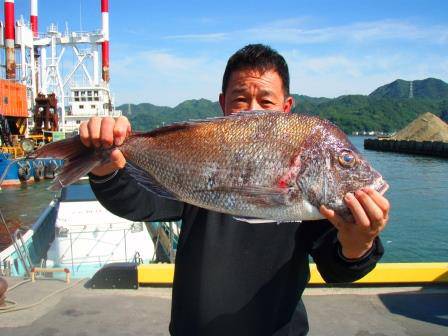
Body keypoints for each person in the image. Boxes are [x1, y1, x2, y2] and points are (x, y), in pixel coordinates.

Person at [81, 44, 389, 336]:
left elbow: (338, 269)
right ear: (223, 104)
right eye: (241, 99)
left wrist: (359, 243)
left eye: (266, 102)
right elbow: (137, 203)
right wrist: (104, 167)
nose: (254, 110)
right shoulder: (201, 155)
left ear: (287, 107)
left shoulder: (314, 189)